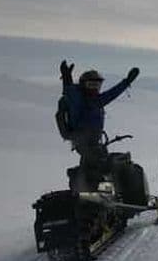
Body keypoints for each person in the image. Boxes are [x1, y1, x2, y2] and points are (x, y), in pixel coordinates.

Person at [58, 61, 140, 191]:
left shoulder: (97, 100)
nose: (94, 88)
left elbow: (113, 93)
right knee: (102, 165)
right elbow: (70, 92)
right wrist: (67, 78)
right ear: (83, 85)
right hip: (83, 142)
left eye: (97, 85)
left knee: (107, 165)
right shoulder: (79, 99)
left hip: (95, 142)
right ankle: (93, 194)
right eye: (90, 84)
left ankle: (111, 196)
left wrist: (127, 81)